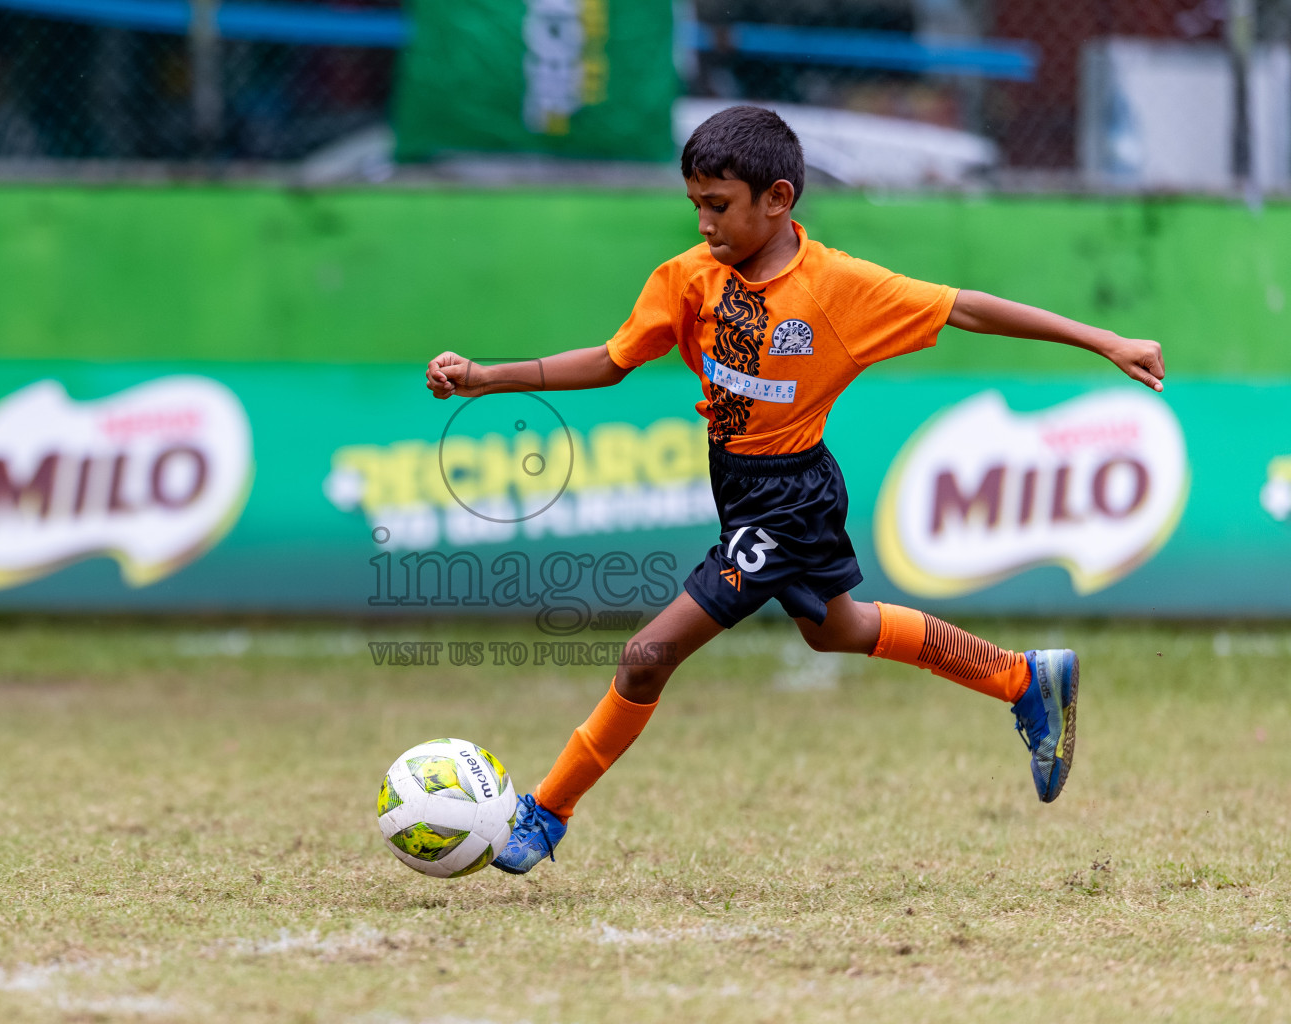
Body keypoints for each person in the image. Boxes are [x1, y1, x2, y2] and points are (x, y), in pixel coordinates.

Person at [423, 105, 1167, 875]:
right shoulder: (687, 278)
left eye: (719, 205)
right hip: (741, 488)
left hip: (790, 501)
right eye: (696, 205)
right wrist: (486, 377)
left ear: (777, 199)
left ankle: (547, 812)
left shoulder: (839, 288)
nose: (704, 223)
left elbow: (966, 307)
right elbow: (612, 361)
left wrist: (1105, 340)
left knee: (648, 654)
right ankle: (1022, 678)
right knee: (838, 629)